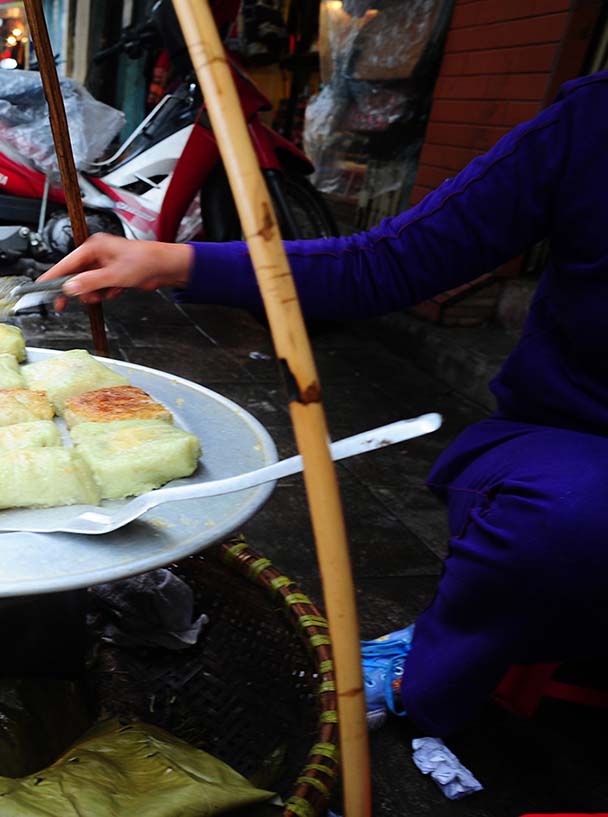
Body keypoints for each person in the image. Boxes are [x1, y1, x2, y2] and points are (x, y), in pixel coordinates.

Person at [40, 71, 608, 738]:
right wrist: (174, 262)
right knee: (575, 514)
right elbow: (387, 263)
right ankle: (425, 675)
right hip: (574, 449)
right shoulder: (592, 122)